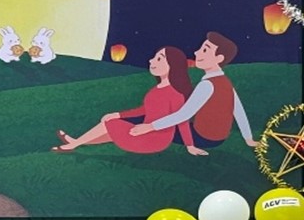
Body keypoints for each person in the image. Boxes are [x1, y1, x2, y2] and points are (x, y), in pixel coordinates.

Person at [128, 32, 257, 156]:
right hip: (219, 139)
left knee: (142, 120)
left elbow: (184, 114)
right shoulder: (225, 81)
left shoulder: (207, 85)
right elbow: (238, 111)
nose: (196, 52)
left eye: (205, 50)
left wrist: (150, 127)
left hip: (202, 137)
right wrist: (248, 138)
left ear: (219, 58)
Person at [53, 47, 197, 154]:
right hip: (143, 132)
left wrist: (190, 146)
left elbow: (181, 120)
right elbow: (144, 110)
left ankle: (73, 144)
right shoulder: (156, 89)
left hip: (154, 140)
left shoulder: (175, 94)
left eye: (159, 59)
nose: (151, 61)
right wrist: (118, 114)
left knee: (110, 124)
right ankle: (77, 142)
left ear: (172, 65)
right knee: (113, 129)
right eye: (154, 57)